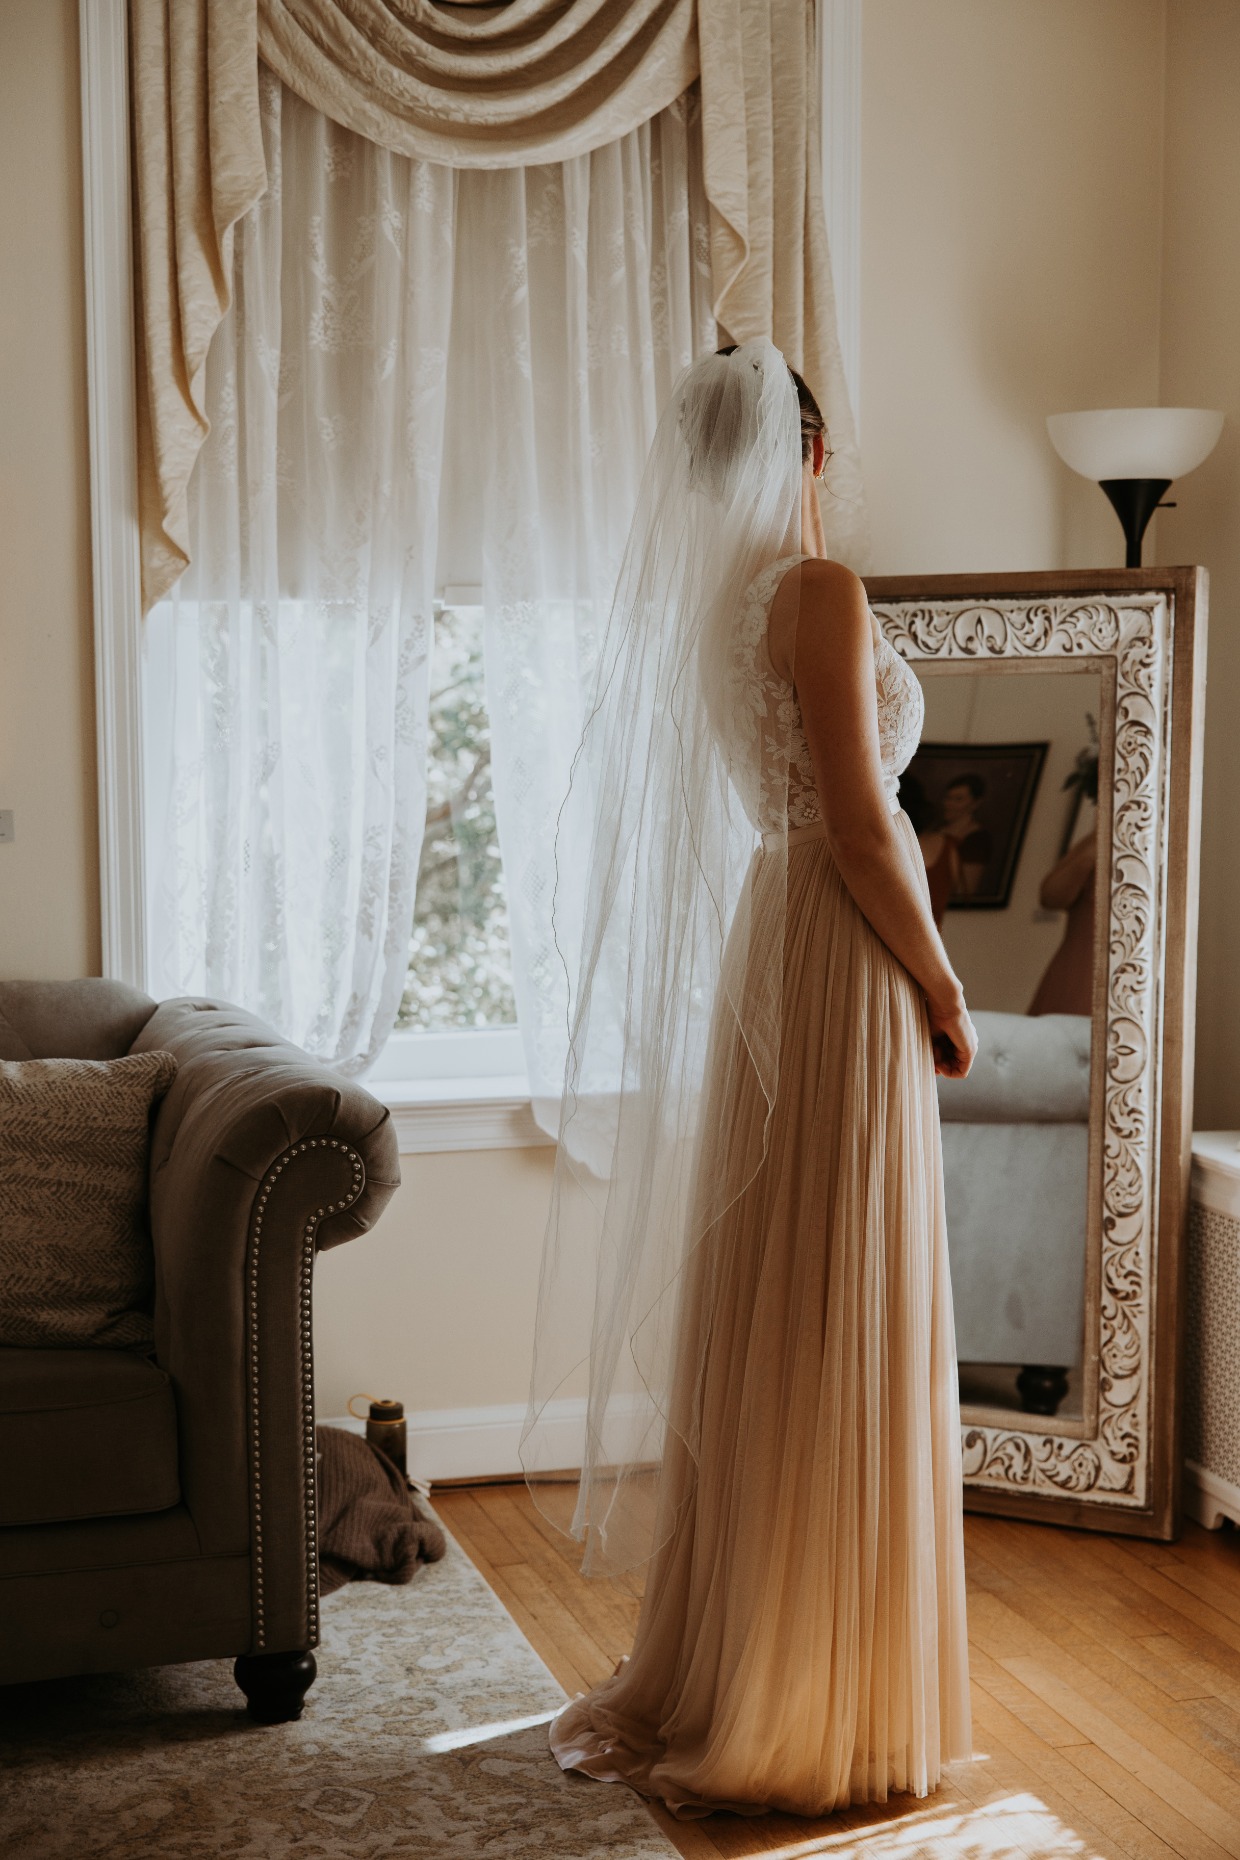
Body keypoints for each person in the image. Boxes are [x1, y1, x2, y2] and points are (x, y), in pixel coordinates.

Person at [521, 342, 975, 1820]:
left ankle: (759, 1660)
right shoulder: (819, 593)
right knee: (837, 1297)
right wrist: (945, 977)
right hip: (840, 952)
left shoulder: (720, 610)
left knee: (790, 1301)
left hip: (770, 944)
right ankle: (823, 1695)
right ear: (814, 452)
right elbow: (863, 822)